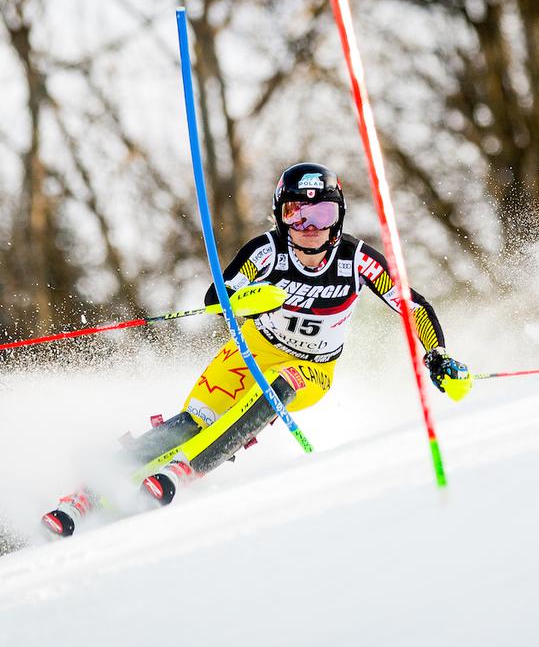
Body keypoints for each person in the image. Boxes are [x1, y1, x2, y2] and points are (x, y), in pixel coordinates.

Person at [42, 163, 469, 537]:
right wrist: (244, 298)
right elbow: (217, 295)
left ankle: (187, 468)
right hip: (252, 349)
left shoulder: (356, 260)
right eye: (297, 215)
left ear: (339, 216)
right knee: (196, 420)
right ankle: (88, 493)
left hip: (311, 368)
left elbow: (413, 306)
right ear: (281, 217)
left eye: (322, 213)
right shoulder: (267, 251)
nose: (311, 227)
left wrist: (437, 356)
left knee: (279, 387)